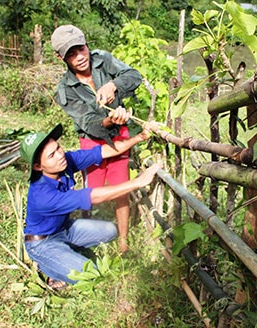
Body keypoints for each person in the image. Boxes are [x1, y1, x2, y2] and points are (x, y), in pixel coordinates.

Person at [20, 122, 160, 289]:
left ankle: (64, 255)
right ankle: (48, 266)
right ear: (38, 166)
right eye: (51, 155)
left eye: (58, 148)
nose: (60, 155)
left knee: (111, 230)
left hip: (64, 230)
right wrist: (138, 182)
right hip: (42, 243)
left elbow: (102, 151)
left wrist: (139, 137)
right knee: (91, 275)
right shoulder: (42, 195)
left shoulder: (65, 163)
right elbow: (92, 196)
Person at [51, 24, 142, 254]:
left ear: (87, 45)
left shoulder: (103, 59)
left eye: (80, 49)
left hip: (119, 135)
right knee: (91, 190)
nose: (79, 57)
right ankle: (84, 237)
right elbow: (89, 122)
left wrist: (113, 84)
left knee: (121, 188)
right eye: (71, 54)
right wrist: (110, 120)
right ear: (60, 57)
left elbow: (134, 76)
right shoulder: (64, 90)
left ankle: (123, 241)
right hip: (92, 140)